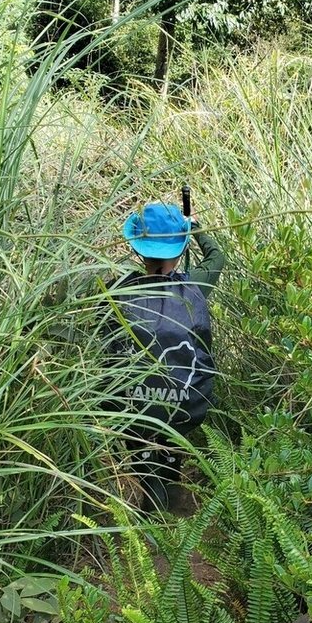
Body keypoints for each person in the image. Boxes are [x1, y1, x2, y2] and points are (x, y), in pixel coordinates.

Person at [110, 201, 226, 511]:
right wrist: (195, 226)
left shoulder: (117, 290)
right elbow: (218, 256)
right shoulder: (195, 284)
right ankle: (170, 489)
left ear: (140, 249)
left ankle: (150, 501)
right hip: (182, 400)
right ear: (180, 247)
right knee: (172, 441)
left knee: (142, 447)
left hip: (133, 402)